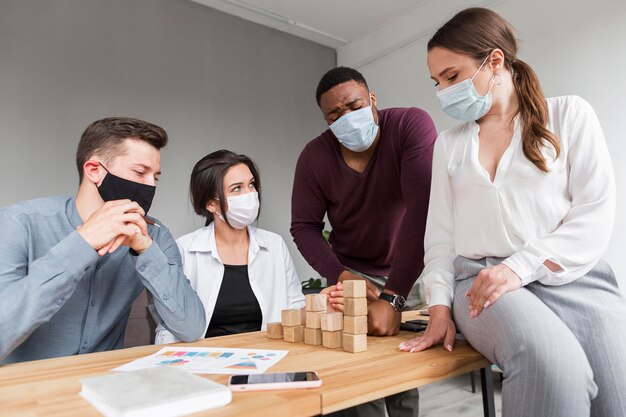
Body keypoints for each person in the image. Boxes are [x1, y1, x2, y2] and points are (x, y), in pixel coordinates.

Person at [399, 7, 626, 417]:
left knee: (618, 394)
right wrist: (437, 307)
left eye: (451, 76)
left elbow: (594, 212)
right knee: (555, 368)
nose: (443, 92)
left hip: (573, 278)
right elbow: (440, 238)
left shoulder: (570, 114)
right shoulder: (449, 145)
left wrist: (520, 266)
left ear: (495, 61)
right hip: (482, 282)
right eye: (436, 83)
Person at [291, 67, 437, 417]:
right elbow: (304, 227)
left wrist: (394, 297)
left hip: (409, 268)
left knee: (402, 371)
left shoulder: (409, 126)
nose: (346, 117)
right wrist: (341, 275)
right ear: (326, 120)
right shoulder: (314, 157)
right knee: (358, 374)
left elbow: (423, 210)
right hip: (351, 274)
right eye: (334, 114)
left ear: (372, 100)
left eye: (353, 105)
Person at [0, 117, 206, 364]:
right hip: (27, 390)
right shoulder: (17, 224)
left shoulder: (156, 235)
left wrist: (145, 249)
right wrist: (81, 243)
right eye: (140, 172)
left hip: (107, 386)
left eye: (156, 177)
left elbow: (191, 328)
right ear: (94, 171)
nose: (151, 185)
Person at [156, 150, 343, 343]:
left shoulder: (274, 245)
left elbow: (292, 311)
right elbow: (171, 325)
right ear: (211, 204)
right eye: (237, 188)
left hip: (264, 365)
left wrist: (319, 306)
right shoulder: (185, 250)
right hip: (203, 367)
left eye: (251, 184)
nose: (250, 194)